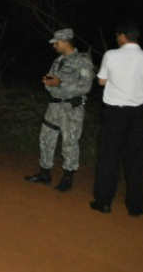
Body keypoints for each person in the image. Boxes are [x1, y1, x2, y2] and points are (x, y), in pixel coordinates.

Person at [91, 22, 143, 216]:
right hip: (139, 115)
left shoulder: (111, 55)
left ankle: (103, 202)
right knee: (135, 159)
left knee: (109, 156)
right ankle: (136, 206)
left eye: (117, 36)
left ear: (122, 36)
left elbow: (102, 81)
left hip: (116, 113)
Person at [25, 29, 94, 192]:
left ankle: (68, 178)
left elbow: (86, 86)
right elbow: (51, 80)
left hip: (71, 108)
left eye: (56, 42)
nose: (54, 45)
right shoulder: (57, 61)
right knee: (46, 138)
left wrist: (59, 83)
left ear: (65, 42)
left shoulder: (82, 61)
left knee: (69, 143)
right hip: (54, 106)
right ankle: (44, 173)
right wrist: (49, 83)